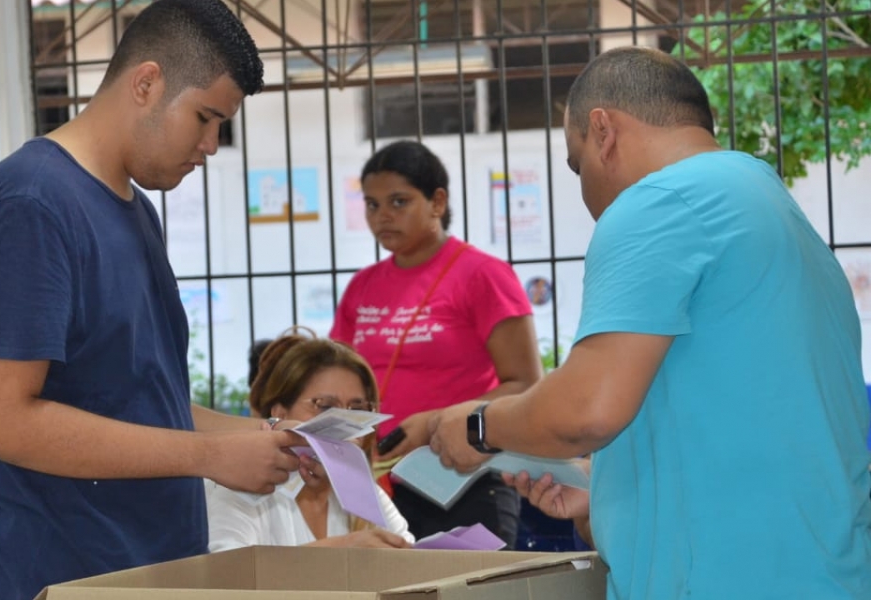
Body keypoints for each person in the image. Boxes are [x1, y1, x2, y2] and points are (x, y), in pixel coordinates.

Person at [429, 46, 871, 599]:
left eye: (576, 162)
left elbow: (586, 410)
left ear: (603, 130)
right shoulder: (767, 204)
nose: (585, 188)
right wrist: (614, 494)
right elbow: (740, 413)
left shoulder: (658, 202)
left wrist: (479, 426)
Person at [0, 3, 303, 600]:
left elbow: (138, 399)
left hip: (151, 573)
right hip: (57, 580)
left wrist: (261, 436)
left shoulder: (134, 210)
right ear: (147, 83)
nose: (212, 145)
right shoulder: (32, 204)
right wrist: (211, 455)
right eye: (205, 118)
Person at [330, 140, 543, 545]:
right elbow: (334, 380)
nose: (383, 216)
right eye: (372, 205)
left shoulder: (483, 275)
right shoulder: (362, 286)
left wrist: (436, 421)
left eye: (398, 201)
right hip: (378, 483)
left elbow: (527, 385)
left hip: (464, 476)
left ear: (437, 201)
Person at [207, 330, 414, 551]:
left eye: (357, 409)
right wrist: (336, 554)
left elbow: (411, 566)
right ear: (280, 414)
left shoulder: (366, 493)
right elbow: (228, 574)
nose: (345, 423)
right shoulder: (242, 485)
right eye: (324, 406)